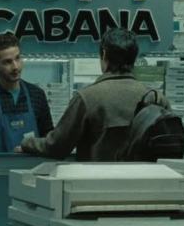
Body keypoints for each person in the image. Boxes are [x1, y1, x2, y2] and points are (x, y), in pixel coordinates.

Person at [20, 27, 169, 161]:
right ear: (134, 58)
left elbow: (56, 147)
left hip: (97, 181)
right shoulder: (156, 98)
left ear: (104, 54)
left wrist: (27, 143)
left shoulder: (87, 98)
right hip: (146, 180)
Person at [0, 33, 54, 153]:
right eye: (7, 62)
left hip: (32, 165)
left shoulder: (37, 95)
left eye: (17, 58)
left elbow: (49, 142)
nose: (15, 66)